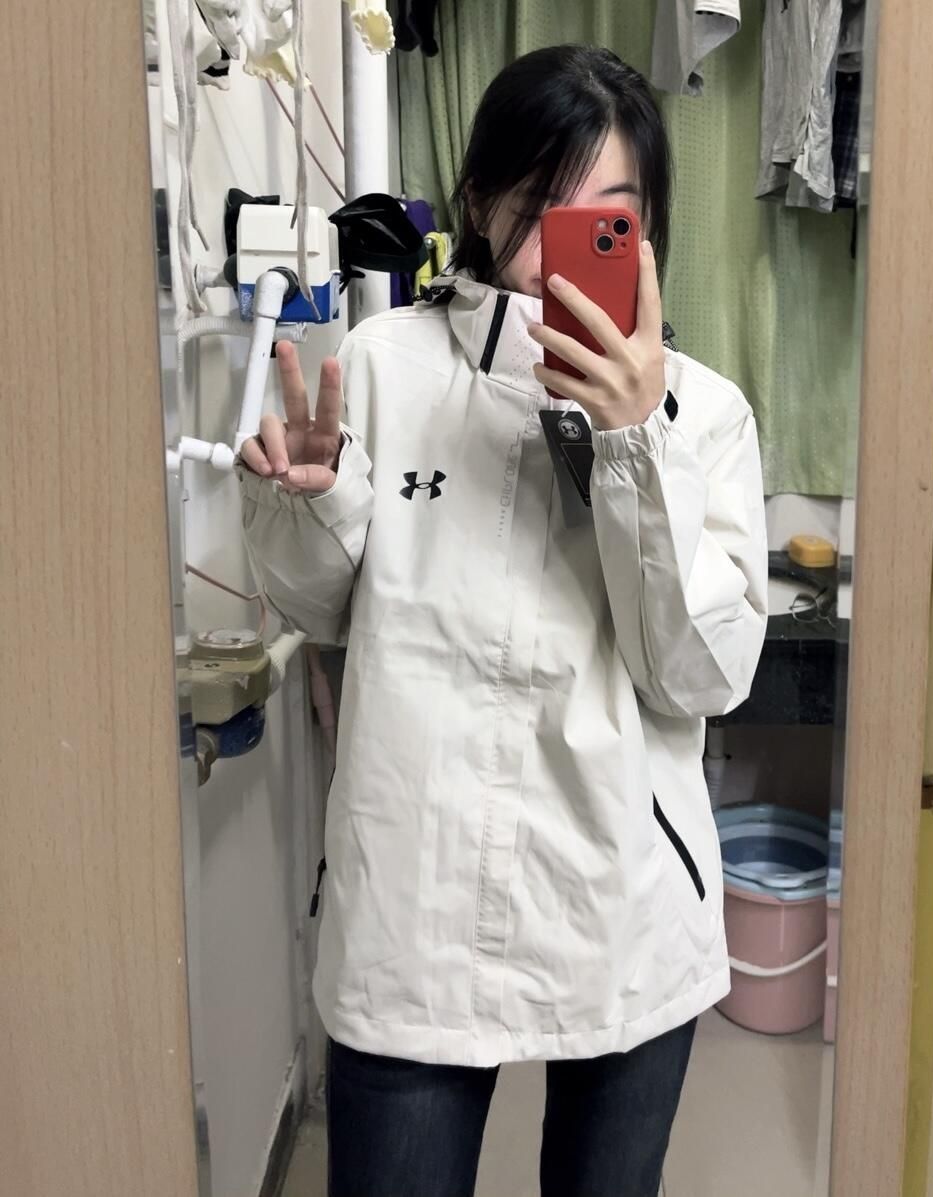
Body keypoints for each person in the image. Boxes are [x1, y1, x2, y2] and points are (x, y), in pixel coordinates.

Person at [238, 43, 768, 1197]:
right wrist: (308, 507)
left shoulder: (705, 415)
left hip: (621, 894)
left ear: (647, 229)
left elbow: (699, 676)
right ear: (478, 203)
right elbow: (322, 608)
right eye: (535, 205)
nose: (557, 248)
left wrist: (633, 446)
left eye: (604, 217)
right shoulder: (382, 365)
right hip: (411, 900)